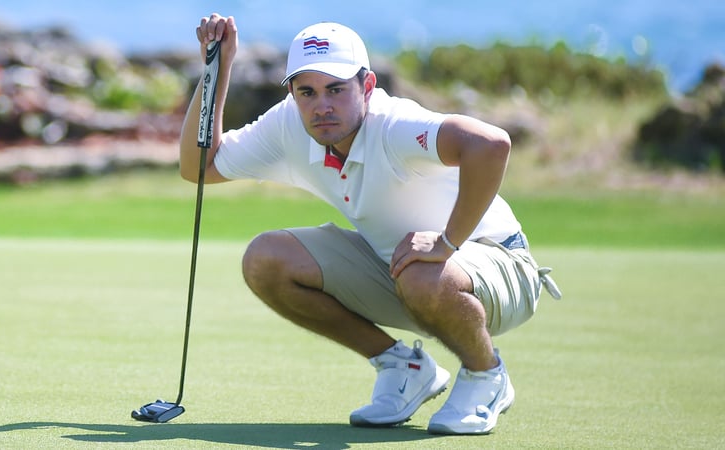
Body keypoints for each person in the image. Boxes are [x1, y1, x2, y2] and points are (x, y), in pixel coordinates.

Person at [181, 13, 561, 435]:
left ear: (366, 86)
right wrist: (218, 67)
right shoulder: (290, 122)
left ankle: (486, 375)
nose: (321, 105)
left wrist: (448, 241)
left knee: (420, 274)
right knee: (266, 259)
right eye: (307, 91)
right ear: (292, 93)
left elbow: (489, 144)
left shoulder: (393, 125)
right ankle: (405, 367)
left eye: (336, 90)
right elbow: (201, 166)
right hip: (402, 271)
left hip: (501, 266)